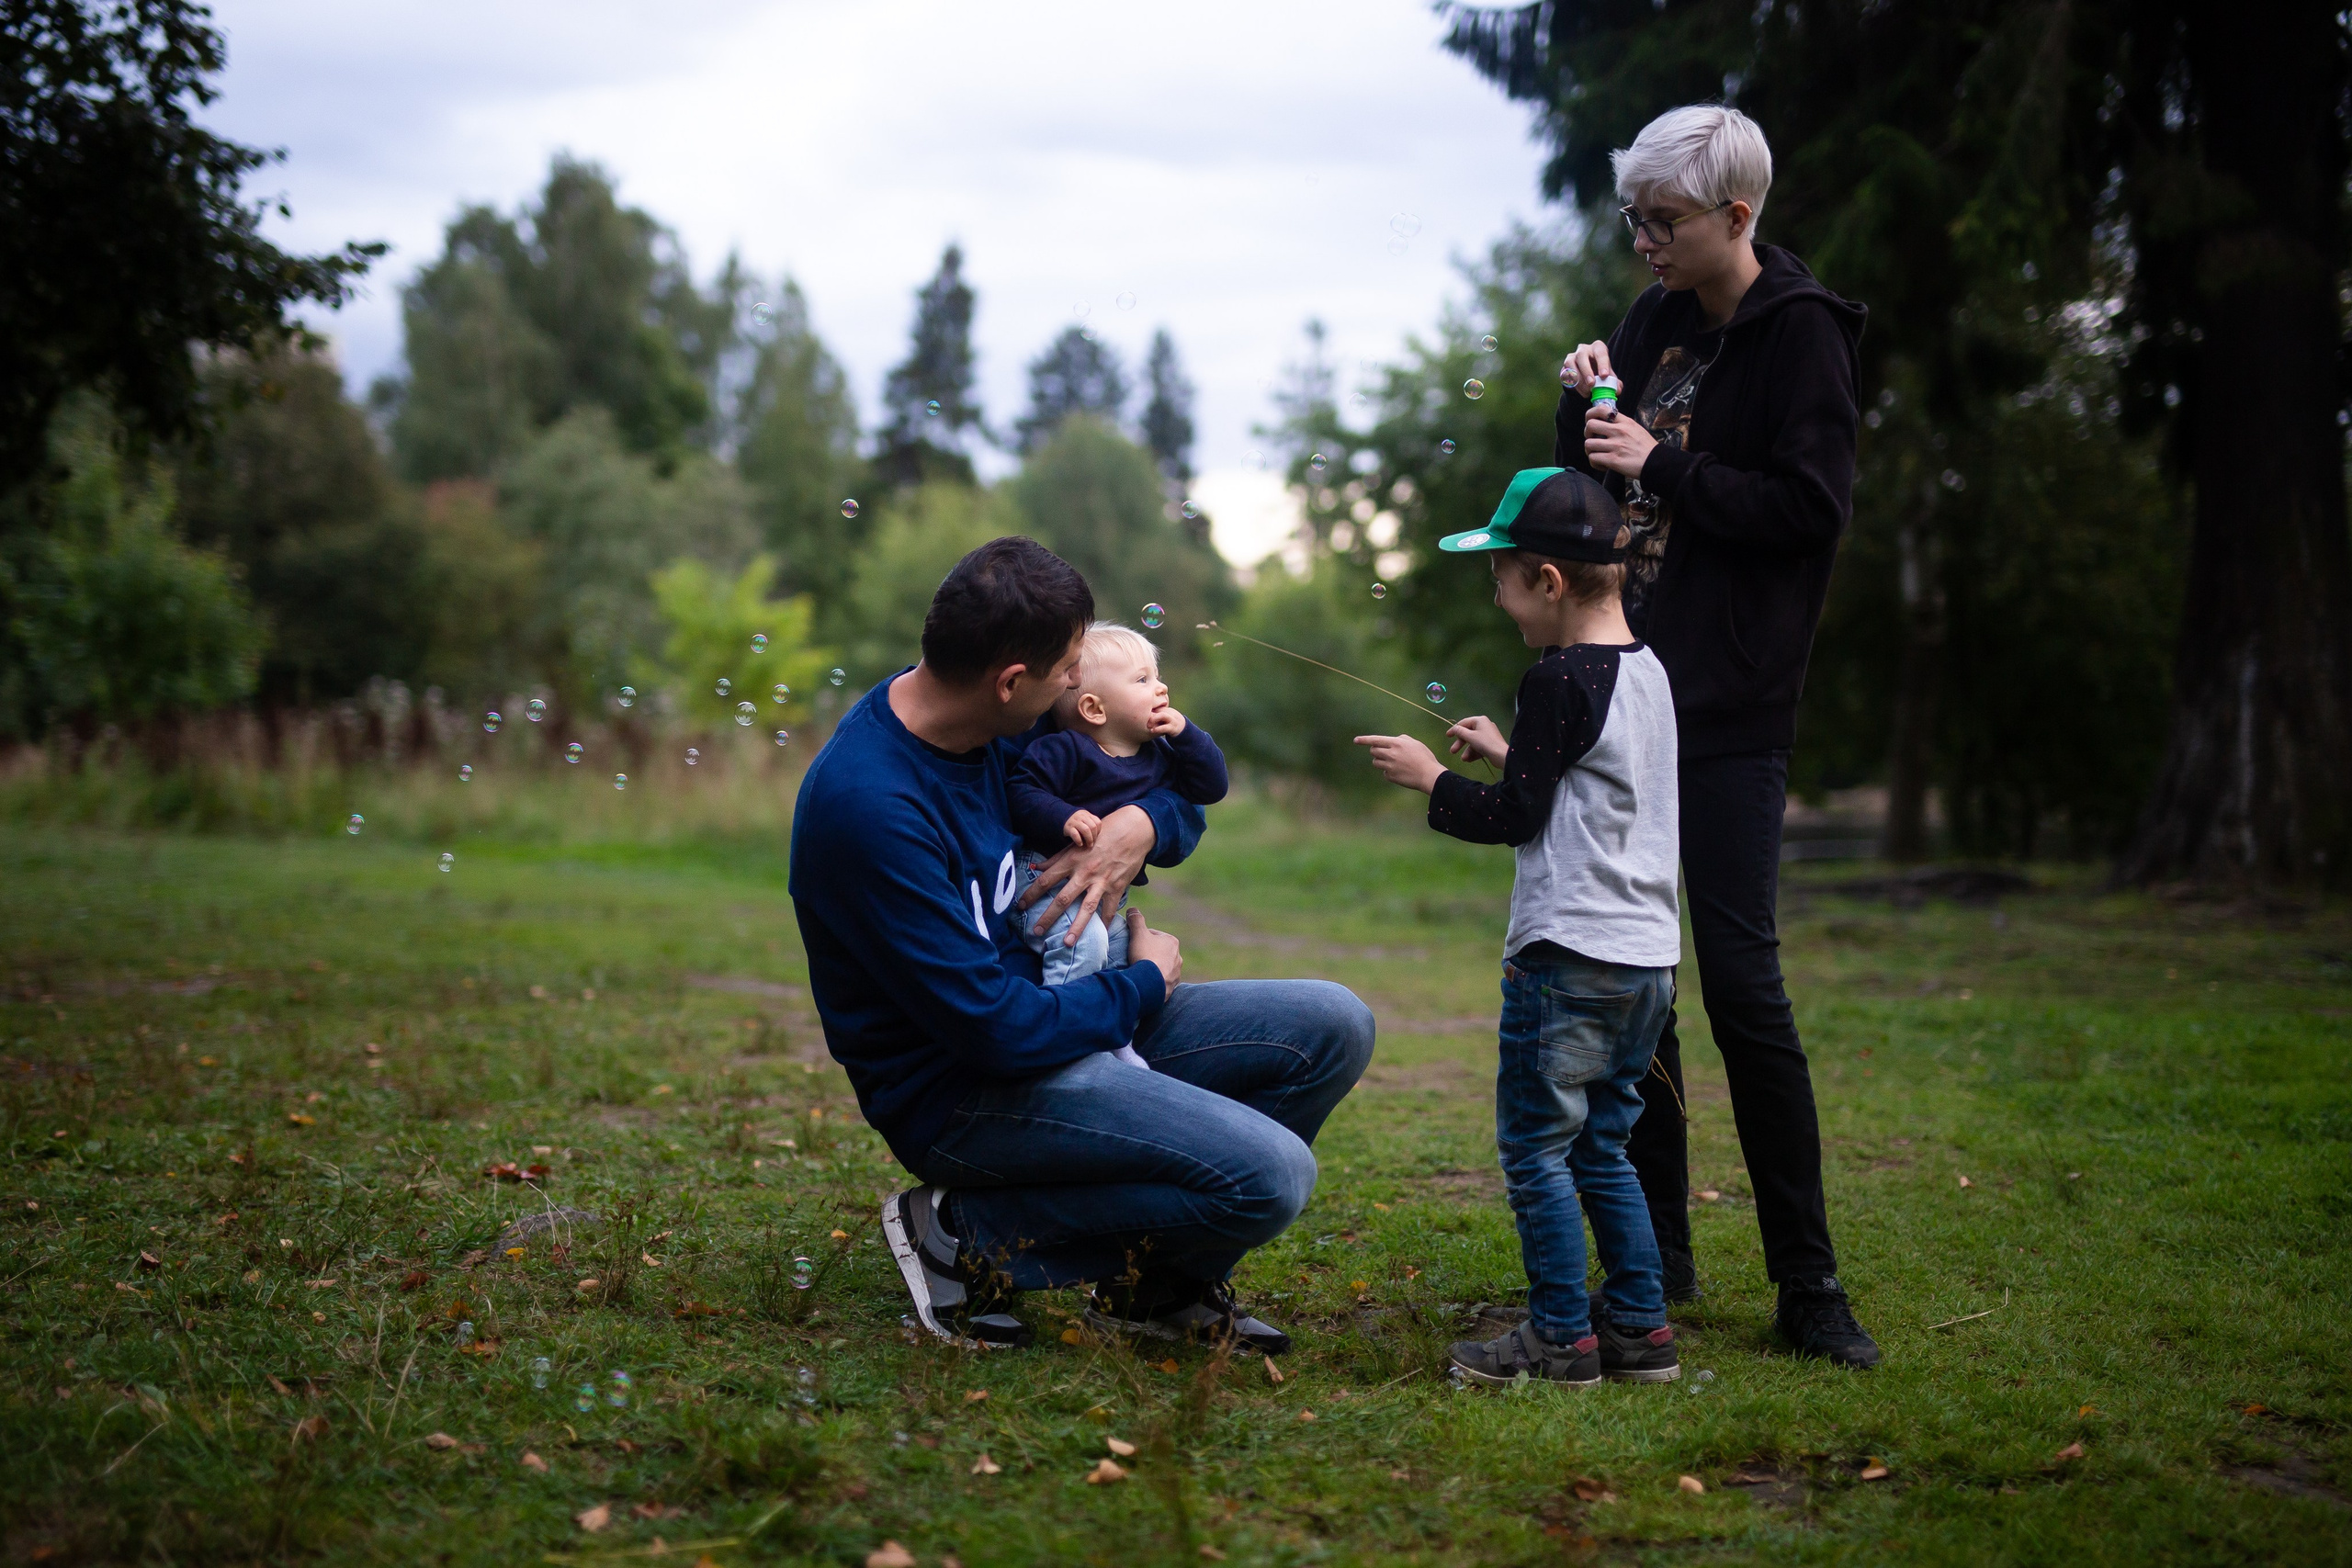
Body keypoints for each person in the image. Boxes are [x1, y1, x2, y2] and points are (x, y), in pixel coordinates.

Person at [789, 536, 1373, 1353]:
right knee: (1270, 1177)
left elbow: (1177, 796)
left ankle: (1154, 1291)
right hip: (965, 1089)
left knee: (1333, 1022)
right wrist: (1142, 984)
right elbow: (995, 1029)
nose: (1077, 683)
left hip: (1065, 1019)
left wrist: (1140, 825)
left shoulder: (1001, 723)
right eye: (1067, 668)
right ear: (1010, 681)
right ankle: (964, 1234)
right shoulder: (872, 807)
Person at [1554, 103, 1879, 1365]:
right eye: (1633, 217)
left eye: (1664, 220)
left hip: (1735, 707)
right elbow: (1603, 495)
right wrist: (1583, 412)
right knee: (1640, 981)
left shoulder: (1803, 334)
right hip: (1630, 693)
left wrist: (1661, 462)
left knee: (1743, 987)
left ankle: (1809, 1284)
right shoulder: (1654, 323)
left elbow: (1810, 510)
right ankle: (1661, 1259)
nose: (1643, 241)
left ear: (1736, 216)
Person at [1357, 467, 1683, 1388]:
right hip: (1646, 962)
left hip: (1567, 956)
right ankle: (1639, 1329)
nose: (1497, 599)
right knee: (1602, 1146)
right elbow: (1595, 788)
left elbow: (1514, 818)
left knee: (1538, 1150)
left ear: (1546, 579)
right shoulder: (1648, 669)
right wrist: (1510, 754)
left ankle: (1558, 1339)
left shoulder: (1555, 678)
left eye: (1500, 579)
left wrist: (1431, 779)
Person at [1008, 619, 1228, 997]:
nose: (1161, 687)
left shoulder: (1160, 754)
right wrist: (1063, 815)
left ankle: (1116, 1025)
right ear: (1094, 708)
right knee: (1084, 945)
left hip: (1099, 898)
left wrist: (1188, 734)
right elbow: (1021, 792)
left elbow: (1211, 788)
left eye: (1157, 677)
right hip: (1042, 877)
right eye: (1142, 680)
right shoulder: (1065, 750)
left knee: (1123, 954)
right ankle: (1067, 1022)